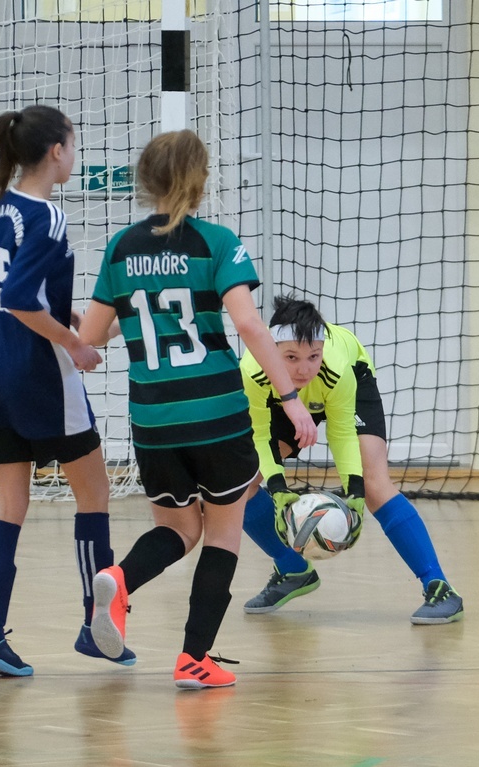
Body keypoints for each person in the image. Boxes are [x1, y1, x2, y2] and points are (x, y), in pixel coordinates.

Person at [76, 130, 316, 689]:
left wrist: (98, 327)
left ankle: (119, 578)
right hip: (215, 413)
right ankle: (194, 658)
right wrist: (291, 399)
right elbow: (250, 324)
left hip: (153, 419)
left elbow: (90, 340)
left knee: (178, 528)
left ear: (146, 181)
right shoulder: (217, 242)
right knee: (223, 531)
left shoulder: (121, 248)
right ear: (201, 180)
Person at [0, 104, 131, 677]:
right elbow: (19, 299)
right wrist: (74, 344)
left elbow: (24, 297)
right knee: (95, 493)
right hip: (40, 379)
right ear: (57, 150)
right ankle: (97, 626)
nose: (74, 155)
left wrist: (83, 319)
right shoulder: (48, 216)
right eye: (73, 145)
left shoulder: (2, 209)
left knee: (10, 504)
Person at [236, 297, 464, 625]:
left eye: (313, 356)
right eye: (291, 357)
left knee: (374, 485)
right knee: (239, 485)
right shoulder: (252, 371)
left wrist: (354, 494)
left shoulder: (336, 367)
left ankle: (439, 587)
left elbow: (342, 432)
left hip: (350, 380)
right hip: (280, 397)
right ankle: (293, 568)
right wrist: (279, 490)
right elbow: (261, 435)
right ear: (271, 350)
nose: (304, 368)